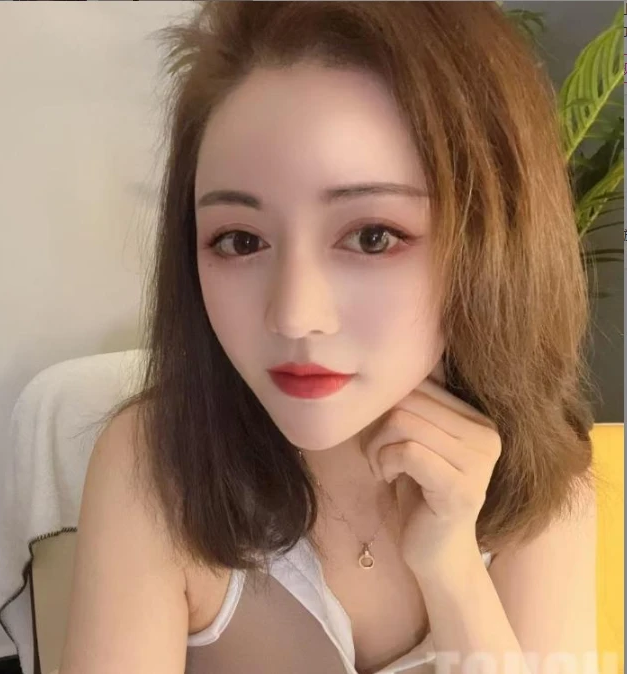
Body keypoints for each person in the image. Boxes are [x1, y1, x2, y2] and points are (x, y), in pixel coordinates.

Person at [59, 3, 599, 673]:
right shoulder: (157, 466)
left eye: (371, 237)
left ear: (492, 244)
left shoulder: (545, 484)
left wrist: (453, 572)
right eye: (240, 240)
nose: (294, 315)